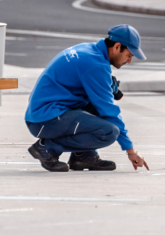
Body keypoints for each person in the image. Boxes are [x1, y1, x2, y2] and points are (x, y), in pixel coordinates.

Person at [24, 24, 150, 173]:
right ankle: (47, 147)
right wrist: (131, 150)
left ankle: (83, 155)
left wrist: (108, 85)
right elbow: (110, 112)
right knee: (108, 132)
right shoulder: (95, 65)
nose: (129, 60)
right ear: (117, 47)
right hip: (44, 120)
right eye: (129, 55)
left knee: (96, 104)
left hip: (44, 113)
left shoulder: (89, 50)